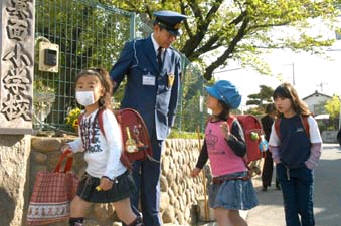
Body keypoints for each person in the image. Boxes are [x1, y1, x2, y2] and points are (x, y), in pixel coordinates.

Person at [109, 10, 187, 226]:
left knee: (153, 178)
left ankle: (153, 221)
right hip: (132, 128)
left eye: (175, 36)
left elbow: (175, 94)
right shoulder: (135, 48)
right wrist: (101, 108)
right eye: (169, 34)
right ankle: (133, 221)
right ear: (156, 29)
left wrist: (169, 122)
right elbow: (113, 79)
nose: (172, 39)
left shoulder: (175, 58)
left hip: (159, 129)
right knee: (132, 174)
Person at [60, 68, 143, 226]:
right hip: (93, 174)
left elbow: (116, 146)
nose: (84, 90)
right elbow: (86, 142)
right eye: (80, 86)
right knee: (76, 208)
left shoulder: (105, 115)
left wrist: (109, 175)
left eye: (91, 86)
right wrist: (72, 146)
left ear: (102, 91)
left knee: (125, 214)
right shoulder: (83, 117)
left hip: (114, 175)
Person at [191, 80, 258, 226]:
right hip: (220, 177)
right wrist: (198, 166)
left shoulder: (232, 123)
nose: (207, 97)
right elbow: (206, 147)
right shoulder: (210, 122)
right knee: (233, 216)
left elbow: (241, 150)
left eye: (211, 95)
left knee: (221, 213)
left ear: (221, 101)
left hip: (234, 176)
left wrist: (228, 137)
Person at [269, 83, 322, 226]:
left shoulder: (307, 120)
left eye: (282, 98)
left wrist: (309, 165)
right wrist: (278, 162)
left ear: (293, 98)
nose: (278, 102)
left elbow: (317, 145)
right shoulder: (278, 123)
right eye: (276, 99)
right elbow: (273, 145)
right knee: (290, 210)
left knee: (305, 209)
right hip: (285, 172)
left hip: (304, 171)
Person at [261, 103, 280, 191]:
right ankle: (278, 184)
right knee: (279, 164)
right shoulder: (275, 120)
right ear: (273, 110)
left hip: (269, 144)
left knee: (268, 164)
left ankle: (265, 184)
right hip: (275, 144)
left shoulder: (264, 119)